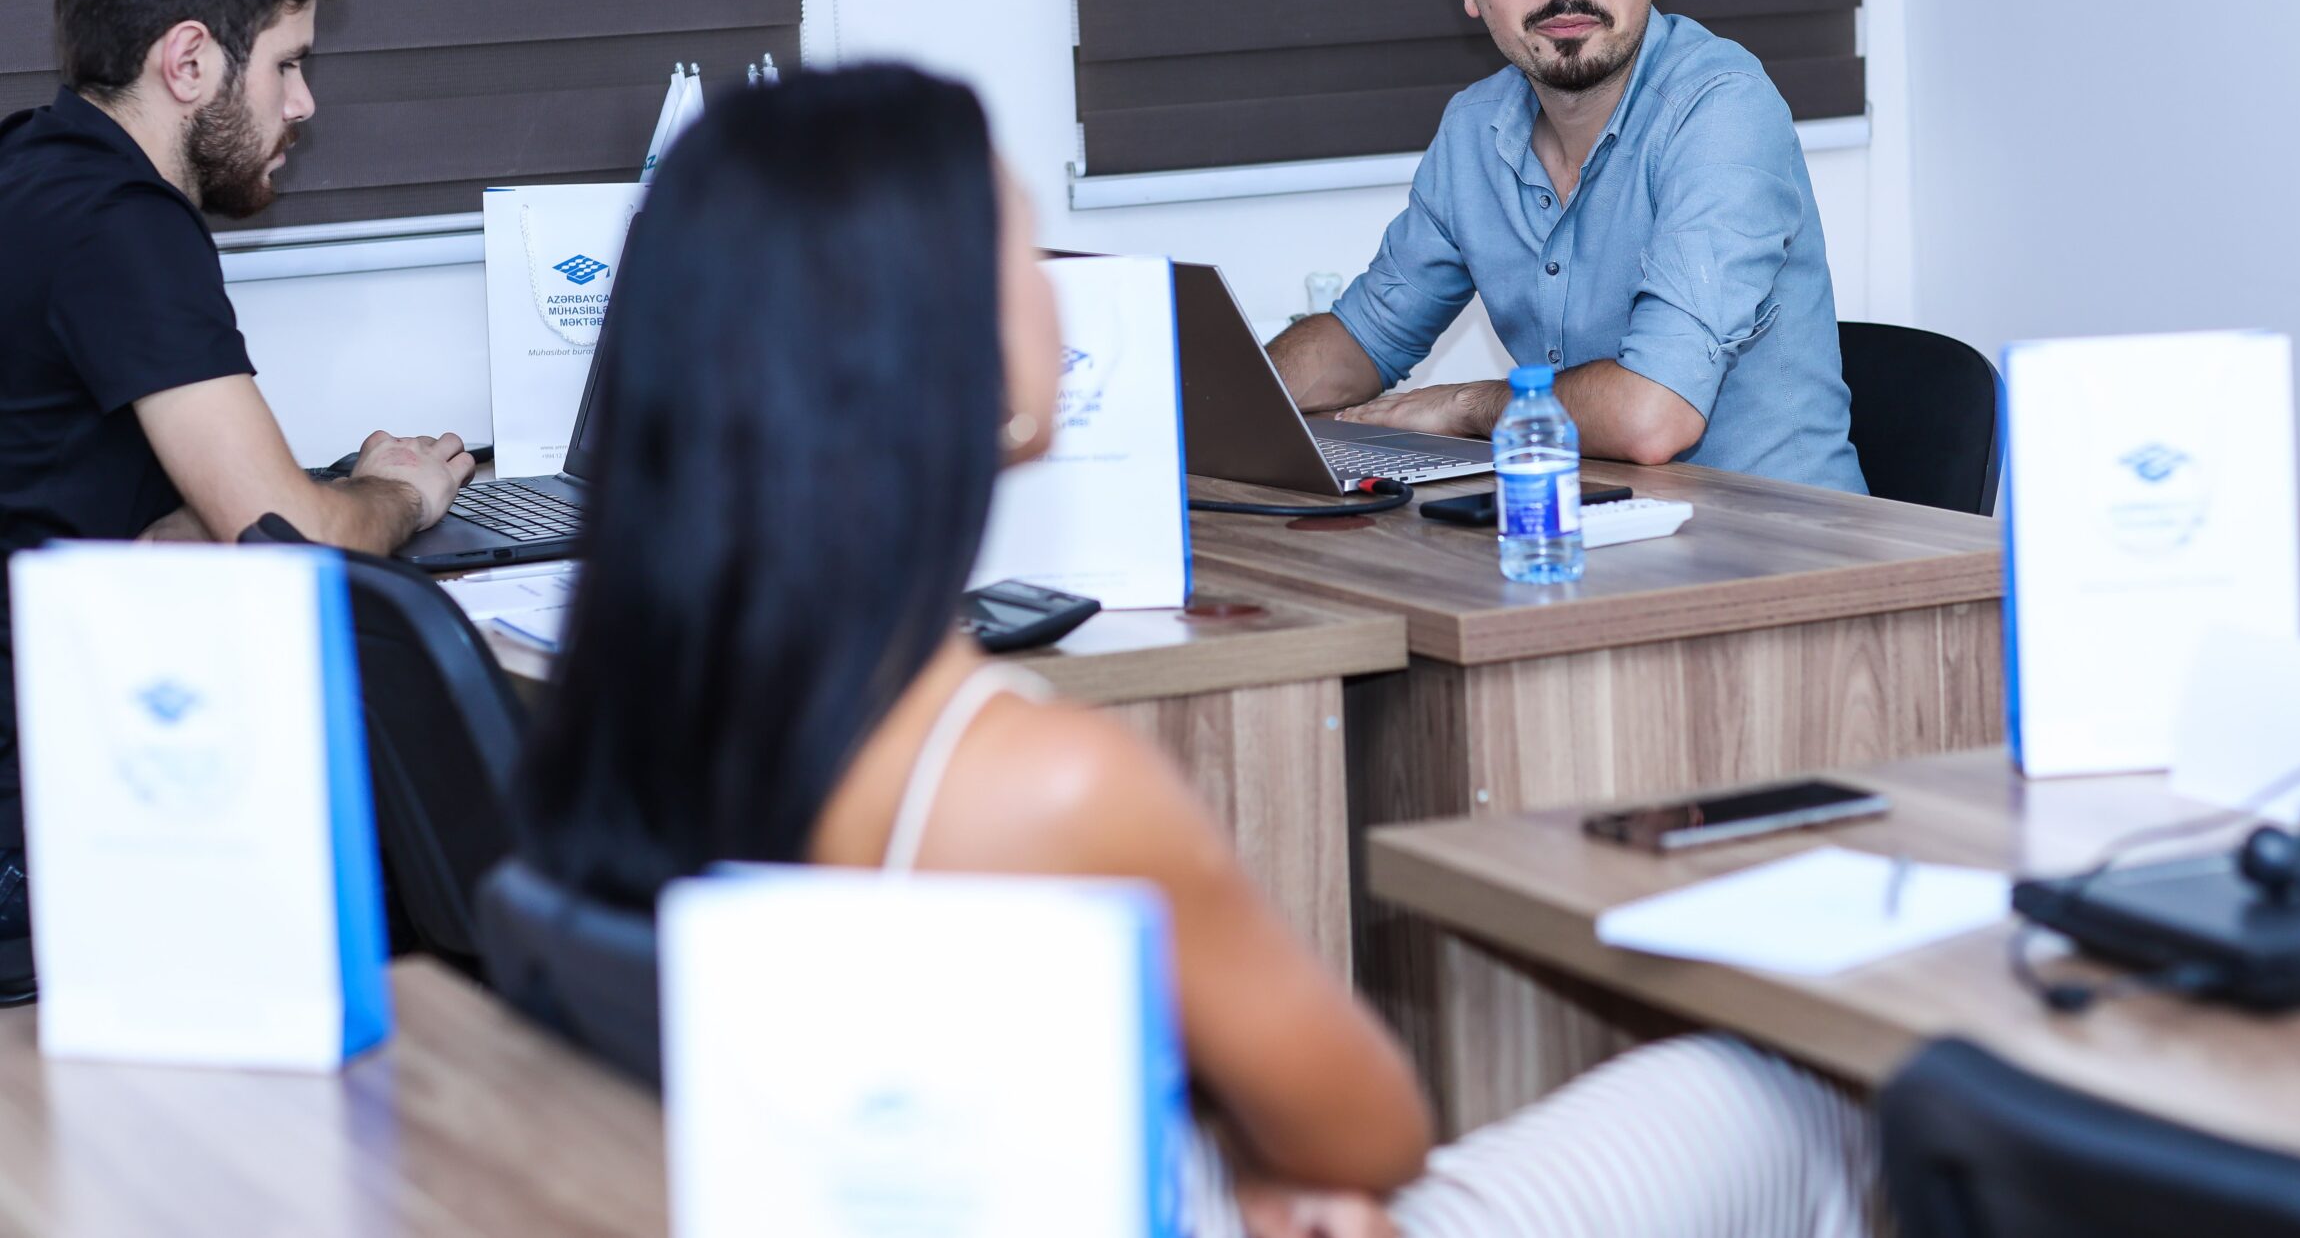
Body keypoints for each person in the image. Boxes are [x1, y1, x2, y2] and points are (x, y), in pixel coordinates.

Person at [513, 65, 1875, 1236]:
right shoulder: (1042, 781)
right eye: (1025, 253)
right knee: (1801, 1086)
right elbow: (1373, 1133)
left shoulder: (638, 689)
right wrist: (1259, 1167)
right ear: (934, 343)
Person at [0, 0, 477, 983]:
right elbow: (284, 539)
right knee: (450, 860)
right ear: (189, 62)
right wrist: (401, 494)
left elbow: (159, 519)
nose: (302, 103)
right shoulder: (122, 226)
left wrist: (261, 505)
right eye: (287, 64)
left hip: (61, 750)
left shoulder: (31, 165)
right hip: (55, 823)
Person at [1268, 0, 1868, 494]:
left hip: (1780, 544)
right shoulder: (1474, 130)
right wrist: (1210, 400)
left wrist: (1467, 406)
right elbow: (1363, 338)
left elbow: (1652, 416)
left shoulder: (1722, 109)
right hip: (1587, 533)